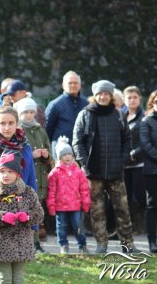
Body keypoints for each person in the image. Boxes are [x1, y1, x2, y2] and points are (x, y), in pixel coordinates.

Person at [72, 80, 139, 254]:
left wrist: (122, 160)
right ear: (95, 95)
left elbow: (127, 140)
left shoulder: (118, 115)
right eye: (100, 93)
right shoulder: (85, 114)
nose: (103, 96)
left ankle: (128, 245)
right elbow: (77, 142)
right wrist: (85, 163)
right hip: (93, 172)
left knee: (123, 210)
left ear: (111, 96)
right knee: (97, 211)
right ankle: (101, 245)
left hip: (116, 172)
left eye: (106, 94)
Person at [0, 105, 37, 284]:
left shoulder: (25, 147)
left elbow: (30, 179)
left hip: (20, 210)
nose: (7, 127)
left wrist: (31, 216)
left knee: (15, 269)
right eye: (3, 123)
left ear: (17, 124)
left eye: (11, 123)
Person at [0, 151, 43, 284]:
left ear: (17, 173)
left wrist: (28, 216)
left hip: (21, 243)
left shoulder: (27, 192)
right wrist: (1, 217)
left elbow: (39, 214)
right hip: (1, 243)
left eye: (10, 171)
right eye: (2, 171)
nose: (5, 175)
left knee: (18, 278)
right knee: (4, 278)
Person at [15, 97, 53, 252]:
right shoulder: (18, 132)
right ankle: (26, 242)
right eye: (25, 112)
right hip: (26, 177)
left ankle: (36, 242)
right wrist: (32, 154)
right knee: (24, 210)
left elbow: (50, 154)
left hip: (41, 177)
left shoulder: (40, 130)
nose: (29, 115)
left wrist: (46, 155)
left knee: (37, 210)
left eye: (32, 112)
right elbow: (16, 155)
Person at [47, 136, 90, 254]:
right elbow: (51, 191)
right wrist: (51, 206)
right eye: (64, 155)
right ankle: (63, 245)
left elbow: (84, 189)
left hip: (76, 205)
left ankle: (82, 245)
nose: (67, 157)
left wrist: (86, 203)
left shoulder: (78, 172)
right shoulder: (54, 173)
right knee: (61, 227)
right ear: (59, 157)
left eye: (69, 154)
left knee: (78, 226)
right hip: (60, 207)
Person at [45, 71, 89, 160]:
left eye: (75, 83)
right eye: (70, 83)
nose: (73, 85)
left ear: (80, 85)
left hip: (82, 150)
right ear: (63, 85)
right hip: (61, 151)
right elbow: (47, 129)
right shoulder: (55, 105)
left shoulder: (87, 104)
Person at [123, 86, 146, 226]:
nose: (132, 100)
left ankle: (148, 227)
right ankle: (127, 227)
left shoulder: (144, 118)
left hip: (139, 163)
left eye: (135, 97)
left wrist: (133, 154)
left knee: (141, 197)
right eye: (129, 98)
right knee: (124, 198)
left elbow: (146, 141)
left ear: (140, 99)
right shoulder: (120, 116)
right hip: (123, 164)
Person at [139, 90, 157, 253]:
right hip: (153, 170)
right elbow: (145, 145)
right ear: (152, 103)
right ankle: (152, 240)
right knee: (153, 205)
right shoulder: (147, 121)